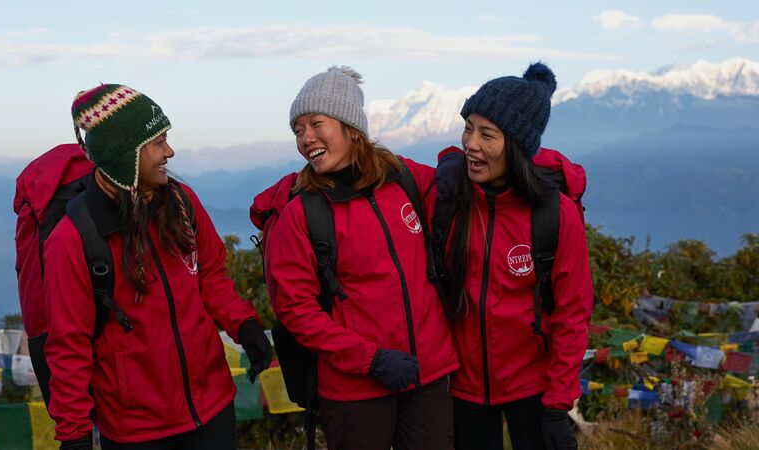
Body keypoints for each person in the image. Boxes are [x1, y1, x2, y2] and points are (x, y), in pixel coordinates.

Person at [44, 84, 272, 450]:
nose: (170, 151)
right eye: (157, 142)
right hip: (138, 430)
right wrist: (74, 435)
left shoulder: (181, 202)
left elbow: (210, 275)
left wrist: (244, 325)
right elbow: (68, 346)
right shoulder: (73, 239)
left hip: (211, 407)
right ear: (124, 154)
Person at [266, 66, 458, 450]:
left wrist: (452, 160)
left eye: (316, 123)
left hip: (428, 374)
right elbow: (295, 310)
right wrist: (371, 361)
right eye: (298, 129)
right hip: (355, 389)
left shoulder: (404, 179)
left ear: (351, 127)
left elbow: (470, 184)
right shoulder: (302, 214)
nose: (306, 139)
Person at [432, 63, 593, 450]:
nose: (470, 143)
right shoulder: (448, 197)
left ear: (516, 145)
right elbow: (378, 177)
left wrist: (557, 405)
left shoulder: (554, 214)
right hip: (462, 388)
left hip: (534, 390)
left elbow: (573, 313)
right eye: (468, 128)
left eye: (487, 134)